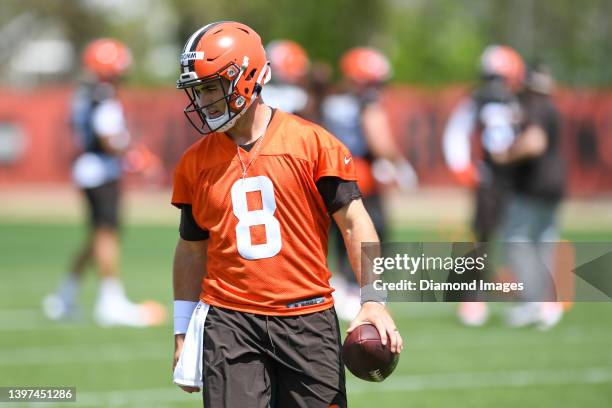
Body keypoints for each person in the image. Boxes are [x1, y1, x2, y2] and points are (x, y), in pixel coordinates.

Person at [170, 22, 402, 407]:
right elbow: (191, 250)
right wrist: (182, 332)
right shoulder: (195, 162)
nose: (203, 101)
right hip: (230, 321)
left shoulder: (312, 143)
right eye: (198, 91)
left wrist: (373, 299)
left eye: (211, 88)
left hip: (306, 316)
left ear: (245, 79)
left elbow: (354, 222)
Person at [43, 38, 165, 327]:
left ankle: (64, 295)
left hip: (90, 169)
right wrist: (137, 156)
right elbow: (108, 137)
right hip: (100, 170)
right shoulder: (102, 95)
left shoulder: (85, 93)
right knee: (106, 235)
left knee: (98, 236)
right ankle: (110, 301)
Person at [321, 46, 417, 320]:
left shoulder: (331, 101)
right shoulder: (365, 103)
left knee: (339, 234)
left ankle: (342, 284)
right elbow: (378, 139)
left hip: (331, 171)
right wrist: (400, 164)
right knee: (367, 230)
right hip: (360, 173)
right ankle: (358, 290)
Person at [442, 45, 525, 326]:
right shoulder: (480, 99)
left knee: (515, 234)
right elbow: (457, 131)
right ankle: (473, 296)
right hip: (491, 176)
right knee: (486, 238)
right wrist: (463, 166)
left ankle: (520, 291)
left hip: (513, 177)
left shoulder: (515, 99)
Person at [491, 63, 566, 329]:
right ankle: (546, 303)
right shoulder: (552, 108)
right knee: (544, 243)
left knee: (517, 241)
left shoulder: (534, 106)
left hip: (533, 186)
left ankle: (534, 302)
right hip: (555, 186)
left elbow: (535, 142)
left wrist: (506, 155)